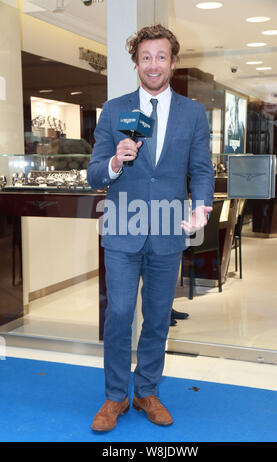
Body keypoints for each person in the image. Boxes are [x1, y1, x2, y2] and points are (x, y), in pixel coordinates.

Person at [87, 24, 215, 432]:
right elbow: (93, 174)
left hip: (167, 230)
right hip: (124, 228)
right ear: (137, 63)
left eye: (161, 57)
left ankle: (146, 391)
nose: (154, 65)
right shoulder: (114, 110)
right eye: (146, 57)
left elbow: (201, 169)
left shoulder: (193, 113)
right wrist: (114, 162)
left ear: (173, 62)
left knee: (158, 317)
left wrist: (202, 207)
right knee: (120, 314)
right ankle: (115, 397)